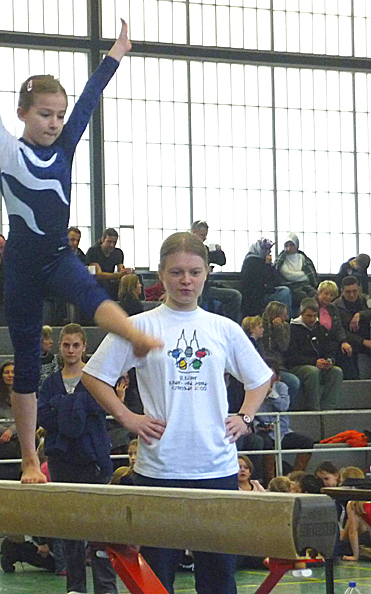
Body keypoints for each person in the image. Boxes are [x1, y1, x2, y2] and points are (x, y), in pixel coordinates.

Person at [0, 0, 160, 484]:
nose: (54, 123)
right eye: (44, 114)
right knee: (27, 365)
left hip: (56, 254)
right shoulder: (7, 150)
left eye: (58, 115)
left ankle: (132, 333)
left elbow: (89, 100)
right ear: (23, 113)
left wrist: (116, 54)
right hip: (22, 267)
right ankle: (30, 459)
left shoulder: (66, 145)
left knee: (91, 293)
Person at [82, 231, 272, 593]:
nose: (186, 280)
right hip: (160, 469)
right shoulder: (140, 326)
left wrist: (245, 417)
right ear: (161, 274)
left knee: (219, 579)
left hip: (216, 468)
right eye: (177, 272)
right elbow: (94, 376)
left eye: (195, 272)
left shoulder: (223, 329)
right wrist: (128, 418)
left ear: (206, 274)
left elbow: (260, 378)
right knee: (157, 578)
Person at [38, 323, 118, 594]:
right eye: (66, 345)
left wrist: (62, 405)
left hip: (93, 460)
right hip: (62, 461)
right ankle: (75, 587)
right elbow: (44, 417)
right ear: (59, 347)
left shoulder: (96, 379)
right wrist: (79, 406)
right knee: (70, 529)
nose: (71, 350)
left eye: (75, 345)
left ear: (84, 347)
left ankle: (106, 588)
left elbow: (101, 406)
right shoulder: (50, 383)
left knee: (99, 530)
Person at [255, 359, 313, 480]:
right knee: (265, 443)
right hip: (262, 431)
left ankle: (295, 478)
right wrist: (258, 426)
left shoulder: (282, 387)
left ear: (277, 377)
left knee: (307, 442)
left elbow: (283, 406)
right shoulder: (253, 389)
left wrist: (270, 393)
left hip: (282, 431)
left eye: (271, 375)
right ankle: (270, 480)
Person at [286, 298, 344, 411]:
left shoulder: (320, 329)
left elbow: (328, 349)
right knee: (313, 372)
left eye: (314, 315)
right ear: (301, 314)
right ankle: (314, 409)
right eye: (308, 316)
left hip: (318, 364)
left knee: (336, 372)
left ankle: (328, 409)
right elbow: (291, 356)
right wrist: (313, 362)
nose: (312, 319)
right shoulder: (292, 329)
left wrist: (330, 360)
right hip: (297, 366)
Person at [191, 220, 242, 323]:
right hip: (198, 288)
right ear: (194, 232)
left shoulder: (205, 249)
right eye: (202, 235)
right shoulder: (187, 249)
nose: (204, 238)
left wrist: (219, 251)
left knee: (233, 293)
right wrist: (203, 270)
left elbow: (221, 262)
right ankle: (229, 323)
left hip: (206, 285)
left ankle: (227, 324)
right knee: (235, 296)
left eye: (205, 235)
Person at [260, 301, 301, 406]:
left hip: (279, 366)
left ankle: (285, 407)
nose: (286, 317)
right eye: (284, 314)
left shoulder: (285, 326)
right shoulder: (260, 326)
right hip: (263, 364)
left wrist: (278, 330)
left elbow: (283, 347)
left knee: (293, 381)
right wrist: (268, 329)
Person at [240, 237, 291, 317]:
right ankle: (285, 318)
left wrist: (270, 265)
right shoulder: (251, 261)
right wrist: (267, 265)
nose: (269, 252)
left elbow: (274, 280)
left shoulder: (260, 260)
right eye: (267, 249)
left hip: (263, 292)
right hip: (256, 297)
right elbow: (263, 280)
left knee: (284, 290)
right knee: (284, 293)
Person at [316, 280, 355, 379]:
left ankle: (353, 382)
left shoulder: (333, 308)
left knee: (346, 351)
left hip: (332, 343)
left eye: (331, 295)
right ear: (319, 293)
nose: (328, 297)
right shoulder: (312, 305)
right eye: (326, 294)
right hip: (317, 342)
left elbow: (338, 328)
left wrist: (344, 341)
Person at [335, 276, 371, 379]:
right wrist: (363, 341)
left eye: (354, 291)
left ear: (359, 289)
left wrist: (360, 314)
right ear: (342, 291)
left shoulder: (366, 300)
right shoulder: (335, 307)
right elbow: (339, 330)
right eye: (348, 292)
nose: (352, 295)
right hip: (349, 343)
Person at [275, 233, 318, 311]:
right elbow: (288, 275)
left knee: (315, 294)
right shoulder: (282, 259)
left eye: (291, 245)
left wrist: (300, 276)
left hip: (305, 284)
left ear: (296, 245)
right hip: (290, 285)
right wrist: (303, 275)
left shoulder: (302, 257)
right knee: (302, 296)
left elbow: (310, 273)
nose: (289, 248)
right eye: (287, 245)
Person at [85, 227, 131, 300]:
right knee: (102, 282)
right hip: (97, 282)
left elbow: (121, 270)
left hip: (111, 280)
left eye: (114, 242)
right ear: (103, 240)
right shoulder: (93, 252)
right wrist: (118, 274)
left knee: (132, 279)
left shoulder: (118, 252)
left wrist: (126, 272)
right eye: (109, 242)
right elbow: (98, 275)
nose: (112, 245)